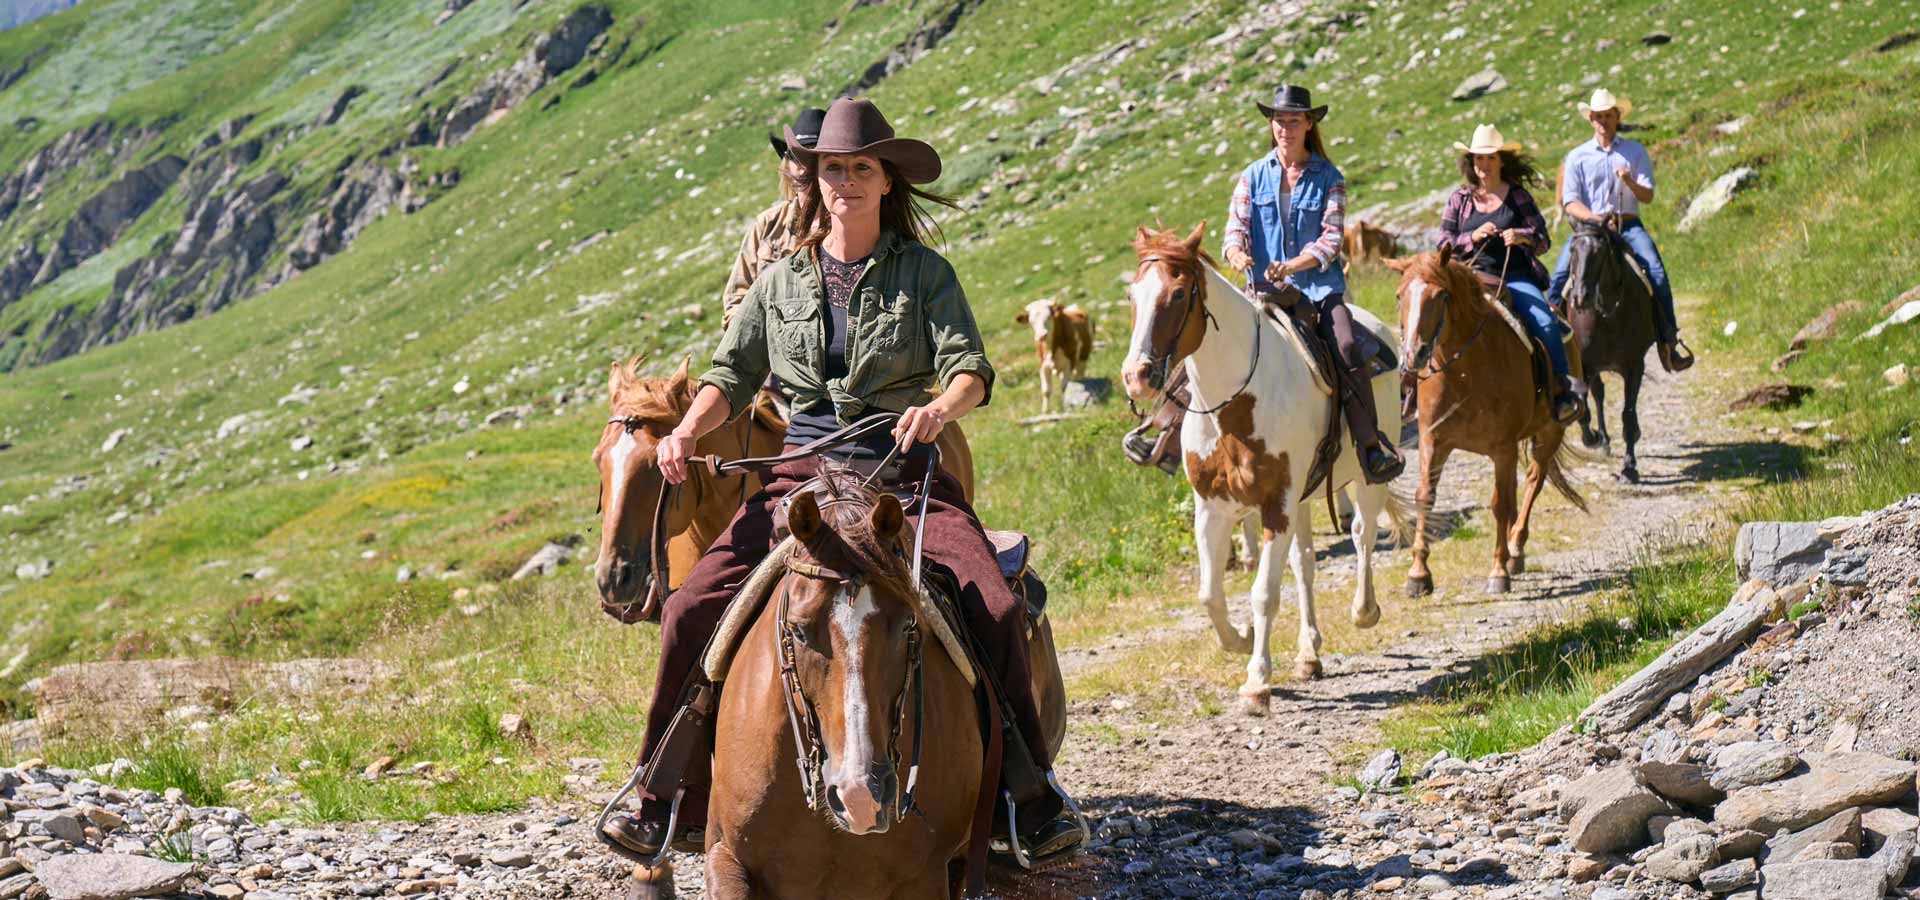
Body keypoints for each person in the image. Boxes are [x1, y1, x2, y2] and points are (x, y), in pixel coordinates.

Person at [604, 96, 1084, 864]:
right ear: (814, 179)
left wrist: (938, 409)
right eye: (833, 168)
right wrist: (689, 430)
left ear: (886, 181)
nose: (846, 182)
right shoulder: (782, 280)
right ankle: (660, 794)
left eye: (861, 168)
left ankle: (1030, 794)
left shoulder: (925, 274)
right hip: (800, 472)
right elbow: (732, 369)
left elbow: (972, 370)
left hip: (903, 472)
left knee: (991, 602)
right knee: (693, 603)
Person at [1222, 84, 1403, 484]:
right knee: (1208, 343)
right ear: (1270, 124)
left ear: (1308, 124)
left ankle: (1370, 446)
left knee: (1347, 345)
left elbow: (1331, 240)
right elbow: (1233, 231)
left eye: (1293, 120)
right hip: (1260, 295)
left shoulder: (1329, 177)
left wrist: (1291, 266)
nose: (1285, 128)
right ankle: (1172, 439)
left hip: (1318, 291)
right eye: (1278, 120)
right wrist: (1237, 254)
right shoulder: (1251, 177)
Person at [1438, 124, 1585, 424]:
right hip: (1469, 276)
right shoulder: (1460, 199)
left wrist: (1522, 236)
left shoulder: (1517, 196)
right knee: (1431, 316)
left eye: (1490, 158)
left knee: (1544, 321)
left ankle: (1561, 390)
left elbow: (1543, 238)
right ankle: (1417, 387)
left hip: (1513, 277)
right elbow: (1442, 242)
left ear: (1501, 161)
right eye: (1479, 158)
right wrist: (1472, 237)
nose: (1484, 165)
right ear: (1471, 162)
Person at [1545, 88, 1694, 372]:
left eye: (1608, 115)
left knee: (1656, 273)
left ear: (1618, 116)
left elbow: (1647, 196)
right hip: (1589, 230)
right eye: (1598, 116)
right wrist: (1596, 219)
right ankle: (1553, 347)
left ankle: (1669, 342)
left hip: (1628, 225)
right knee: (1560, 277)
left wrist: (1630, 183)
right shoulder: (1577, 157)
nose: (1603, 121)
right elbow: (1570, 202)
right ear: (1590, 119)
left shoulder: (1635, 151)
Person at [718, 107, 825, 330]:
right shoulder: (767, 225)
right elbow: (736, 298)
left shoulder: (848, 223)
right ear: (786, 164)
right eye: (796, 157)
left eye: (813, 156)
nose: (804, 166)